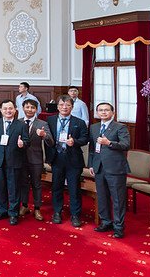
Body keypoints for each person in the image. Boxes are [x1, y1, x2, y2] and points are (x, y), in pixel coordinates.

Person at [45, 95, 89, 227]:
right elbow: (48, 139)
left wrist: (74, 141)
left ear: (72, 107)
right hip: (57, 157)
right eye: (61, 105)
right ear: (57, 107)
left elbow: (85, 139)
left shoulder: (79, 122)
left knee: (74, 188)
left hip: (73, 159)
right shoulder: (50, 120)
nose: (64, 107)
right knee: (56, 187)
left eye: (68, 105)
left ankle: (75, 215)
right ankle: (57, 212)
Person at [89, 102, 131, 239]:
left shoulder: (120, 127)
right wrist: (91, 165)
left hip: (115, 168)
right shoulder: (94, 127)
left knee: (118, 199)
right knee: (102, 197)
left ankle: (118, 227)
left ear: (113, 113)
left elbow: (126, 145)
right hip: (99, 167)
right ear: (97, 113)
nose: (103, 112)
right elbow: (92, 149)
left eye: (106, 110)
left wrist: (109, 143)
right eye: (100, 110)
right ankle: (106, 222)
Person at [0, 100, 29, 226]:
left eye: (10, 108)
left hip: (15, 161)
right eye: (5, 109)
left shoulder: (21, 125)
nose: (8, 111)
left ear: (15, 110)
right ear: (1, 110)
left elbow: (27, 141)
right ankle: (2, 210)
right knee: (0, 187)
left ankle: (13, 213)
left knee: (13, 189)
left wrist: (22, 144)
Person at [19, 99, 54, 221]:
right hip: (21, 159)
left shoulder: (42, 124)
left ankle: (37, 208)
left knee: (37, 184)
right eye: (27, 107)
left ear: (36, 109)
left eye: (32, 107)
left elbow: (51, 142)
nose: (29, 110)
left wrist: (44, 135)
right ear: (23, 108)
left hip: (36, 158)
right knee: (23, 183)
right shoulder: (18, 122)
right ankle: (24, 205)